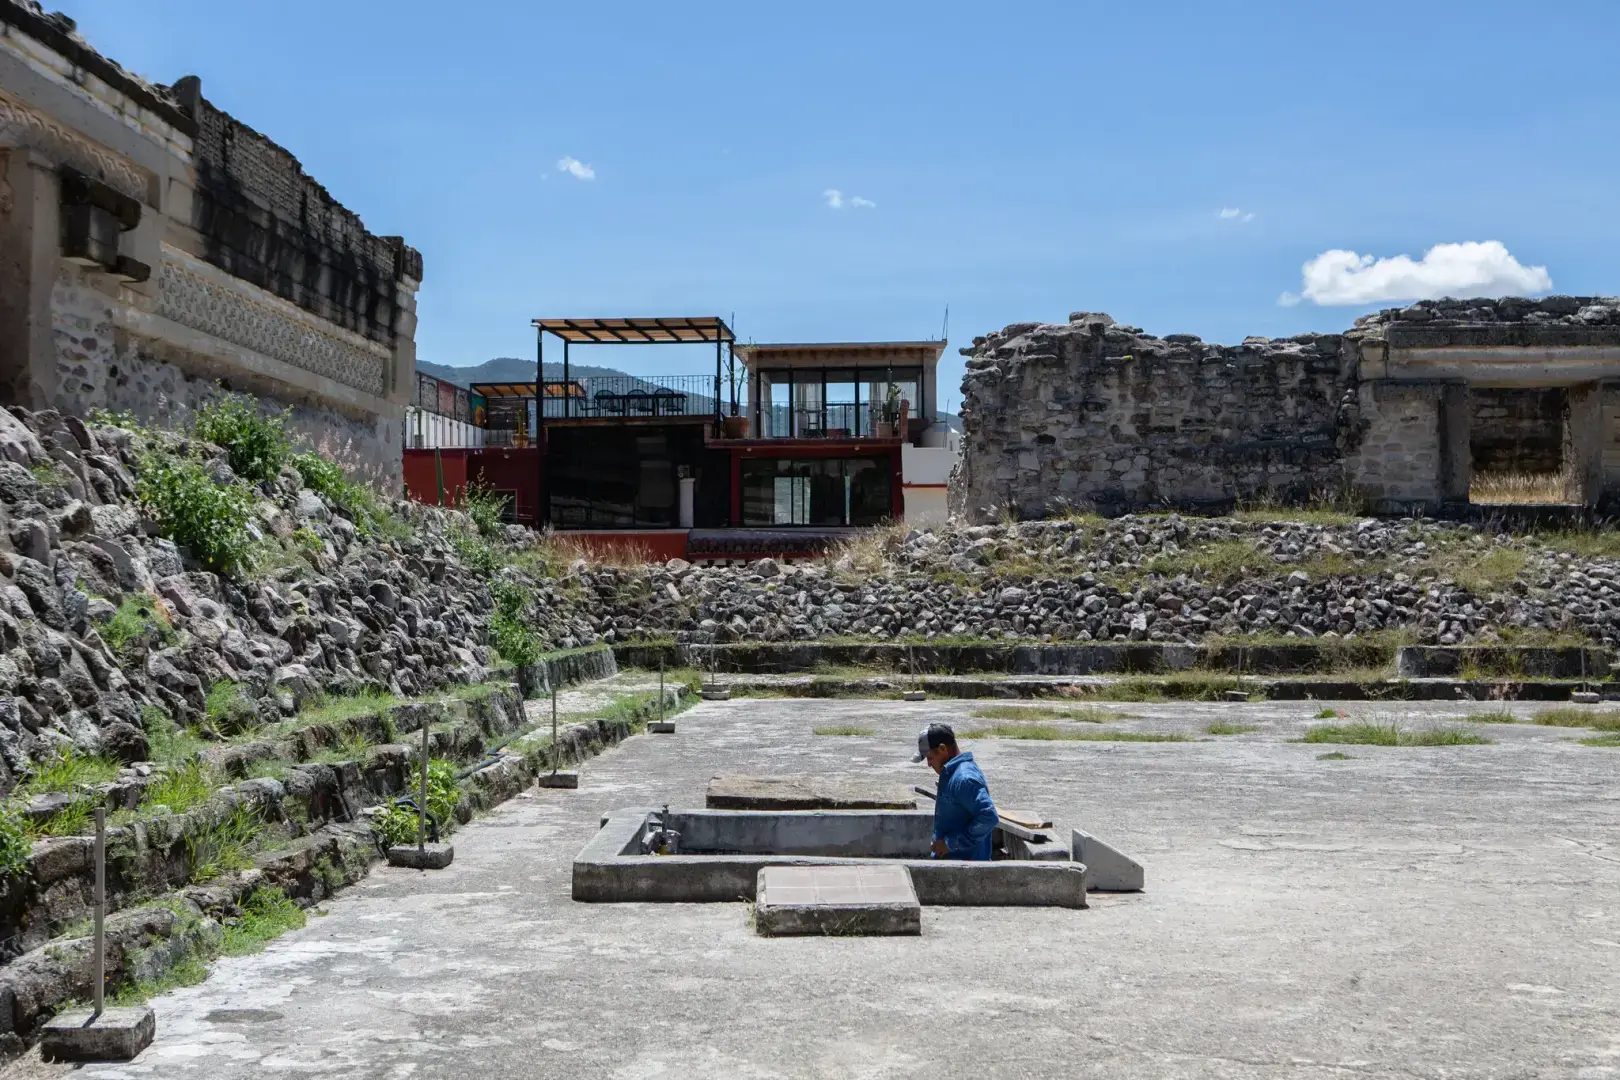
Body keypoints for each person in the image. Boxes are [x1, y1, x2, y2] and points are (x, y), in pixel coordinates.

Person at [912, 723, 998, 860]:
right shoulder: (950, 774)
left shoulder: (964, 779)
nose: (928, 764)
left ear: (942, 749)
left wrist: (949, 843)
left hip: (967, 870)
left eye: (929, 757)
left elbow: (989, 817)